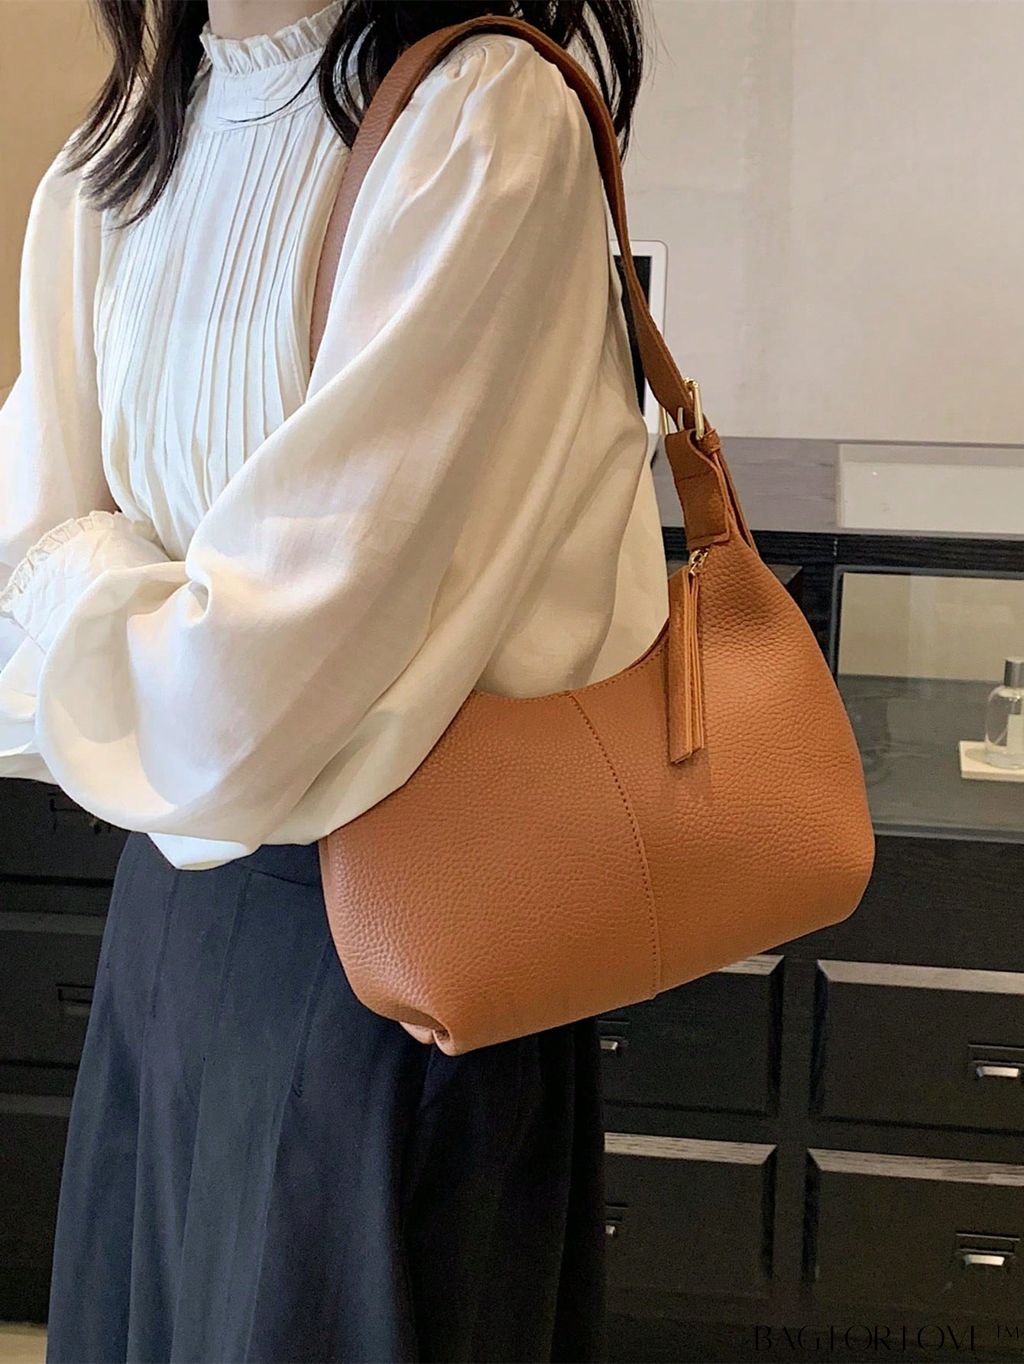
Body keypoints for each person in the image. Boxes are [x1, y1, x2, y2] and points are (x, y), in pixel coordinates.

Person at [0, 0, 668, 1359]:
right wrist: (145, 614)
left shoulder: (479, 119)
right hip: (172, 928)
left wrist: (89, 568)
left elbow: (244, 687)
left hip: (404, 949)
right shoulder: (118, 152)